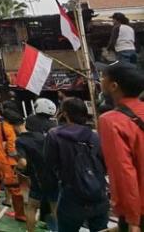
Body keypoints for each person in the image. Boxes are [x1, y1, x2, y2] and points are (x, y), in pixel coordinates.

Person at [45, 98, 109, 232]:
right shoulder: (95, 136)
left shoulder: (54, 135)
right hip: (98, 195)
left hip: (71, 196)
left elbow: (50, 166)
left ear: (65, 114)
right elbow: (106, 165)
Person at [98, 61, 144, 232]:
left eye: (103, 77)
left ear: (113, 85)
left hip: (139, 209)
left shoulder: (111, 121)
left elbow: (123, 172)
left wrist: (133, 220)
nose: (100, 80)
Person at [16, 116, 58, 232]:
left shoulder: (21, 140)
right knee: (55, 208)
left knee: (31, 207)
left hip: (38, 179)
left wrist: (18, 169)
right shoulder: (46, 137)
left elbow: (22, 163)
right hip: (53, 177)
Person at [0, 107, 26, 222]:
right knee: (15, 188)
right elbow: (11, 150)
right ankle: (20, 214)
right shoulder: (10, 130)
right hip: (3, 161)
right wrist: (20, 160)